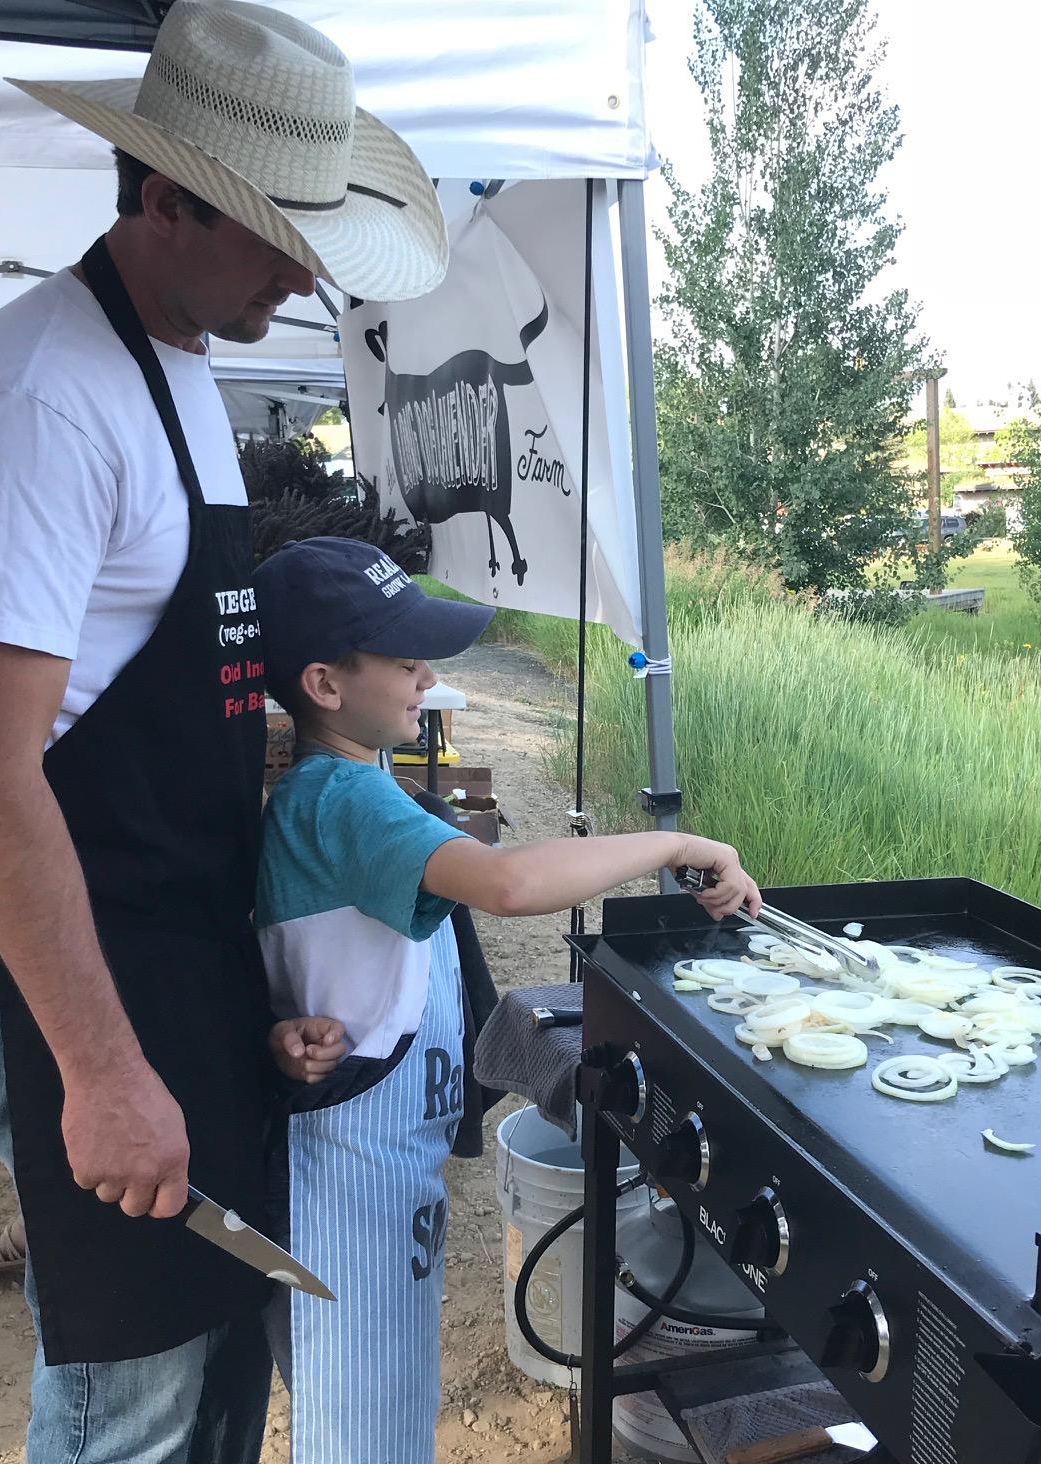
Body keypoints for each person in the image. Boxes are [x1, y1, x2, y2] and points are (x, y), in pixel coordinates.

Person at [0, 0, 447, 1464]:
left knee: (216, 1335)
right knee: (129, 1374)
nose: (300, 269)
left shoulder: (180, 365)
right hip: (55, 956)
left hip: (166, 925)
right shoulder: (32, 401)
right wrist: (102, 1071)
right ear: (164, 195)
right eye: (276, 231)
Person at [250, 537, 762, 1464]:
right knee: (362, 1431)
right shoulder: (340, 796)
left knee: (377, 1411)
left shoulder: (358, 782)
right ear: (324, 684)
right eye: (403, 661)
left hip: (378, 1157)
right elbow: (510, 883)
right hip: (342, 1177)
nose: (425, 676)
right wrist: (675, 843)